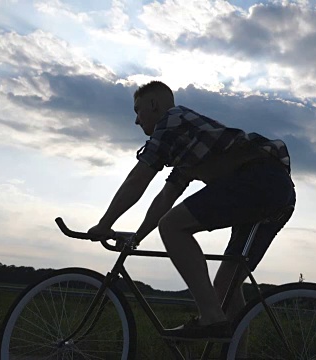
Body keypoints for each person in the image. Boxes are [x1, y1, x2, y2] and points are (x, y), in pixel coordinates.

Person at [87, 81, 296, 339]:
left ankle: (209, 317)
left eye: (137, 110)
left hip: (258, 180)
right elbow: (165, 199)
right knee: (226, 287)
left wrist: (104, 223)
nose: (136, 121)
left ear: (154, 105)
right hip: (274, 189)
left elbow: (138, 178)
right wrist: (136, 238)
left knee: (172, 226)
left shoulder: (172, 121)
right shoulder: (186, 141)